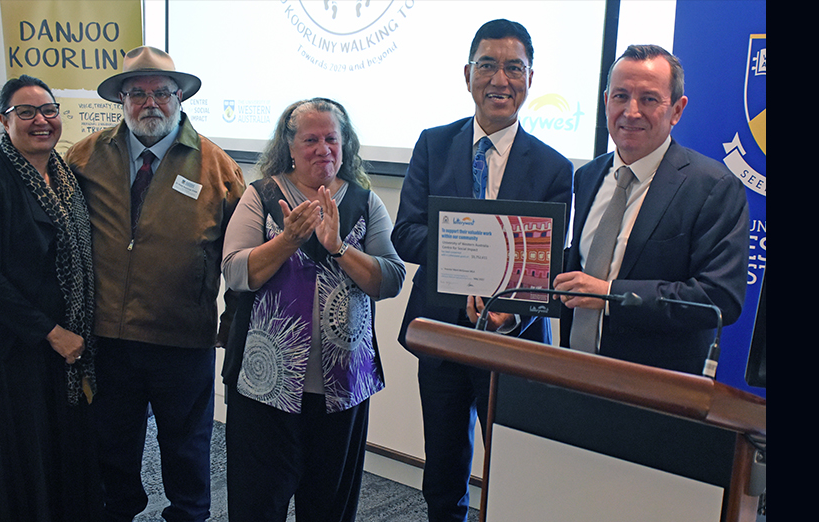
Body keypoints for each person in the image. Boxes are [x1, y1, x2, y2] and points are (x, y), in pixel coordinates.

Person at [391, 19, 572, 522]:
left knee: (519, 470)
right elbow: (407, 233)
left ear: (530, 79)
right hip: (442, 334)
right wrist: (474, 257)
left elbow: (549, 264)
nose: (500, 79)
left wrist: (508, 312)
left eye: (514, 67)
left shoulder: (556, 168)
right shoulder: (433, 144)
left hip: (511, 341)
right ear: (467, 74)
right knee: (443, 470)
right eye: (488, 65)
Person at [64, 46, 246, 522]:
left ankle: (188, 514)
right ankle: (117, 510)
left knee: (186, 445)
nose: (150, 103)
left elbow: (242, 253)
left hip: (181, 334)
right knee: (111, 441)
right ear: (121, 98)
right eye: (137, 93)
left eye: (162, 92)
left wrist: (231, 323)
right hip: (107, 335)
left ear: (180, 96)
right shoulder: (85, 155)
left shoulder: (217, 166)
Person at [221, 98, 405, 522]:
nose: (323, 149)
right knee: (258, 504)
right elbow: (234, 271)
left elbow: (391, 278)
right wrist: (288, 240)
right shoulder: (261, 196)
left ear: (346, 145)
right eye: (310, 140)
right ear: (288, 146)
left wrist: (338, 248)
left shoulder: (363, 201)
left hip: (342, 391)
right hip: (266, 387)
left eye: (331, 139)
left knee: (329, 507)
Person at [0, 75, 101, 522]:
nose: (41, 121)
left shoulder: (66, 176)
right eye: (26, 112)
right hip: (8, 346)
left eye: (48, 110)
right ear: (3, 120)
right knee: (13, 454)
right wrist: (52, 334)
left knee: (56, 448)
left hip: (63, 344)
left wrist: (67, 334)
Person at [554, 44, 748, 373]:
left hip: (656, 391)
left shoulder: (713, 187)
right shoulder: (588, 176)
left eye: (648, 99)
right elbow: (579, 269)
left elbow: (719, 298)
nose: (631, 111)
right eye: (620, 96)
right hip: (573, 376)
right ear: (605, 103)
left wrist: (610, 295)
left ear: (676, 110)